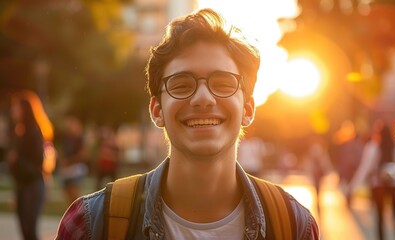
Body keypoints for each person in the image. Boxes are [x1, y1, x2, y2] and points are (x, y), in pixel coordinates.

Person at [56, 8, 319, 239]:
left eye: (223, 84)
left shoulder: (294, 225)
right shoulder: (91, 224)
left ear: (247, 109)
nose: (203, 98)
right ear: (157, 110)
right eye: (181, 85)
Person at [348, 120, 395, 240]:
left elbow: (364, 168)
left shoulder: (372, 147)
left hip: (378, 185)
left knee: (380, 218)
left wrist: (352, 187)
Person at [7, 90, 54, 240]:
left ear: (24, 109)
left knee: (30, 230)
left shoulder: (34, 131)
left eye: (16, 107)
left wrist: (16, 160)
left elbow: (38, 163)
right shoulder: (19, 131)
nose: (13, 110)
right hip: (22, 184)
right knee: (24, 231)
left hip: (33, 185)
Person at [58, 115, 88, 204]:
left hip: (75, 169)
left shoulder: (80, 138)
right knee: (67, 194)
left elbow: (82, 155)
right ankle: (72, 213)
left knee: (74, 194)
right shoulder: (66, 138)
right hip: (66, 170)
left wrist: (69, 161)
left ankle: (78, 213)